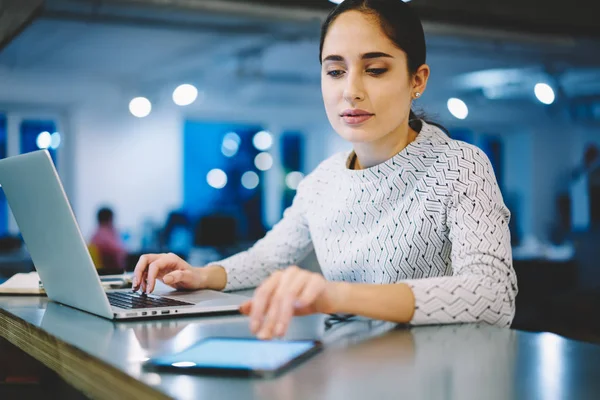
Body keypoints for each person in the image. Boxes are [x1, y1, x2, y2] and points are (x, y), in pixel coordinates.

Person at [133, 0, 517, 340]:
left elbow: (493, 294)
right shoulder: (323, 181)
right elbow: (269, 259)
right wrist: (200, 275)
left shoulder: (460, 165)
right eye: (335, 71)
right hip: (352, 364)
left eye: (376, 69)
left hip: (438, 373)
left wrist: (338, 295)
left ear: (417, 79)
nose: (350, 90)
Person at [90, 207, 127, 272]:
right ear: (110, 219)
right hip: (109, 271)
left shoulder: (95, 234)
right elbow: (119, 251)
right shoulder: (105, 235)